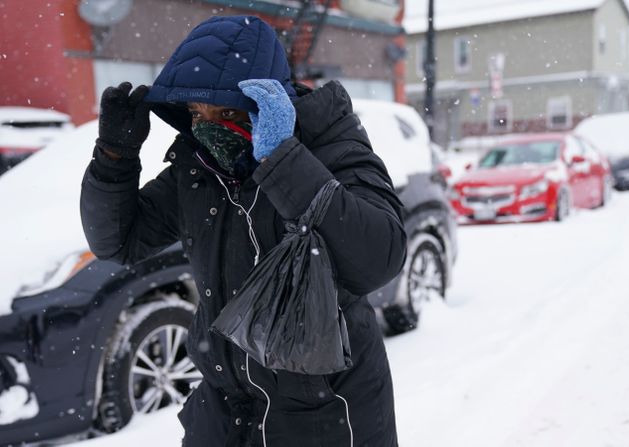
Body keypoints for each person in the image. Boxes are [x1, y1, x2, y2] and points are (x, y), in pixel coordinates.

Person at [80, 15, 406, 447]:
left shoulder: (331, 145)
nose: (209, 126)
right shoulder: (198, 166)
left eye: (228, 112)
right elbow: (118, 241)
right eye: (197, 112)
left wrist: (284, 160)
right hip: (224, 412)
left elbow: (378, 259)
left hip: (326, 415)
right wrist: (114, 157)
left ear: (268, 100)